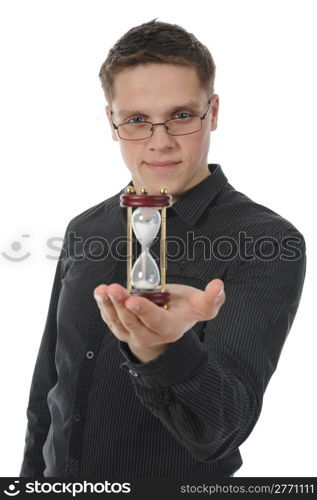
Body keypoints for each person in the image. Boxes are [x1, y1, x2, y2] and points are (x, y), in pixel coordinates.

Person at [20, 19, 306, 479]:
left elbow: (221, 430)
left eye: (181, 115)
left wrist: (164, 350)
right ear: (111, 123)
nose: (160, 142)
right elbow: (47, 394)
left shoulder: (266, 242)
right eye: (136, 120)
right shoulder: (84, 228)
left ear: (212, 112)